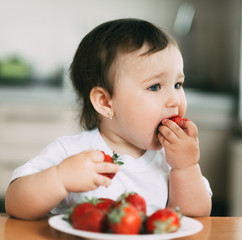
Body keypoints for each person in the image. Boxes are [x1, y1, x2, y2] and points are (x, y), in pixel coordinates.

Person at [5, 18, 212, 220]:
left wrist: (185, 167)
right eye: (155, 87)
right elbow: (14, 202)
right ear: (105, 102)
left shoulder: (170, 160)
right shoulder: (73, 153)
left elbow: (195, 216)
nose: (175, 99)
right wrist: (60, 178)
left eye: (178, 84)